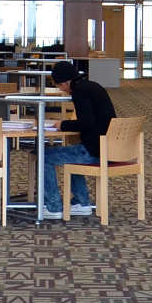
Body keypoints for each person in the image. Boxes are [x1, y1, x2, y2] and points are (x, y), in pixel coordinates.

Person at [42, 60, 118, 218]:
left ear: (68, 81)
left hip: (94, 151)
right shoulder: (93, 86)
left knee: (44, 156)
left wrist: (63, 124)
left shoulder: (80, 92)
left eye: (60, 85)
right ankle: (81, 202)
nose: (61, 89)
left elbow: (87, 122)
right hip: (110, 149)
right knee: (70, 154)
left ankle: (54, 207)